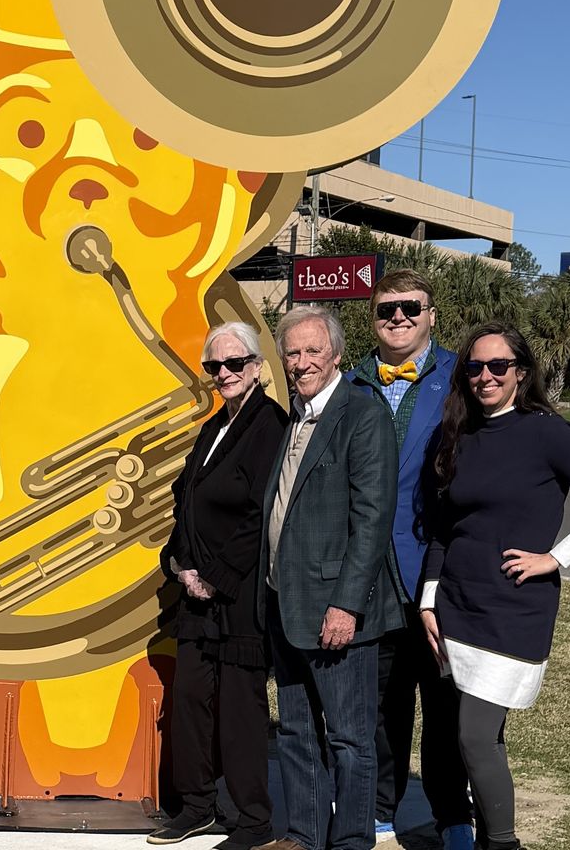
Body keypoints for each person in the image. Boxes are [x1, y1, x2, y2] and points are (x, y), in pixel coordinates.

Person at [419, 324, 570, 850]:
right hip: (454, 603)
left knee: (475, 735)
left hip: (512, 610)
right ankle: (479, 831)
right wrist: (427, 598)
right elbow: (445, 526)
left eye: (498, 366)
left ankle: (503, 842)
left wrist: (555, 558)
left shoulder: (545, 431)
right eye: (474, 367)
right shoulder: (459, 433)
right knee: (471, 735)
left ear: (520, 372)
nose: (485, 376)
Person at [258, 306, 405, 850]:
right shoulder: (294, 417)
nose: (301, 363)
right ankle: (303, 835)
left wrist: (347, 606)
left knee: (348, 739)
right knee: (296, 732)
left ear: (337, 354)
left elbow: (371, 521)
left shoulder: (361, 415)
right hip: (287, 606)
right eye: (292, 353)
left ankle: (350, 842)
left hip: (335, 614)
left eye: (312, 351)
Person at [348, 271, 473, 850]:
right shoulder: (351, 383)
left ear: (431, 315)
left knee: (445, 704)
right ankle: (379, 811)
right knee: (381, 706)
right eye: (386, 310)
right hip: (371, 575)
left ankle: (453, 815)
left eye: (410, 308)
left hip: (438, 569)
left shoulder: (463, 377)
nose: (398, 318)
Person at [153, 322, 288, 850]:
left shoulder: (270, 424)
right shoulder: (214, 426)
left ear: (257, 367)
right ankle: (198, 806)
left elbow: (262, 512)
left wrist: (217, 576)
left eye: (235, 364)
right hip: (195, 592)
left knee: (240, 712)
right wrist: (179, 563)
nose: (224, 374)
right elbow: (187, 500)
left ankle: (254, 821)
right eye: (214, 367)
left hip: (239, 595)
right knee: (189, 702)